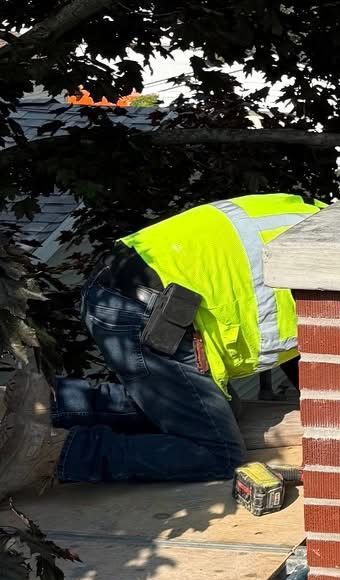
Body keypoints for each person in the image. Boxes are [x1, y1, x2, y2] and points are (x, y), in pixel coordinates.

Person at [0, 194, 322, 491]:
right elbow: (325, 348)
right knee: (217, 453)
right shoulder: (337, 265)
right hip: (151, 313)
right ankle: (52, 452)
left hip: (120, 285)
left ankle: (49, 403)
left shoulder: (313, 217)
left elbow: (305, 340)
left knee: (214, 412)